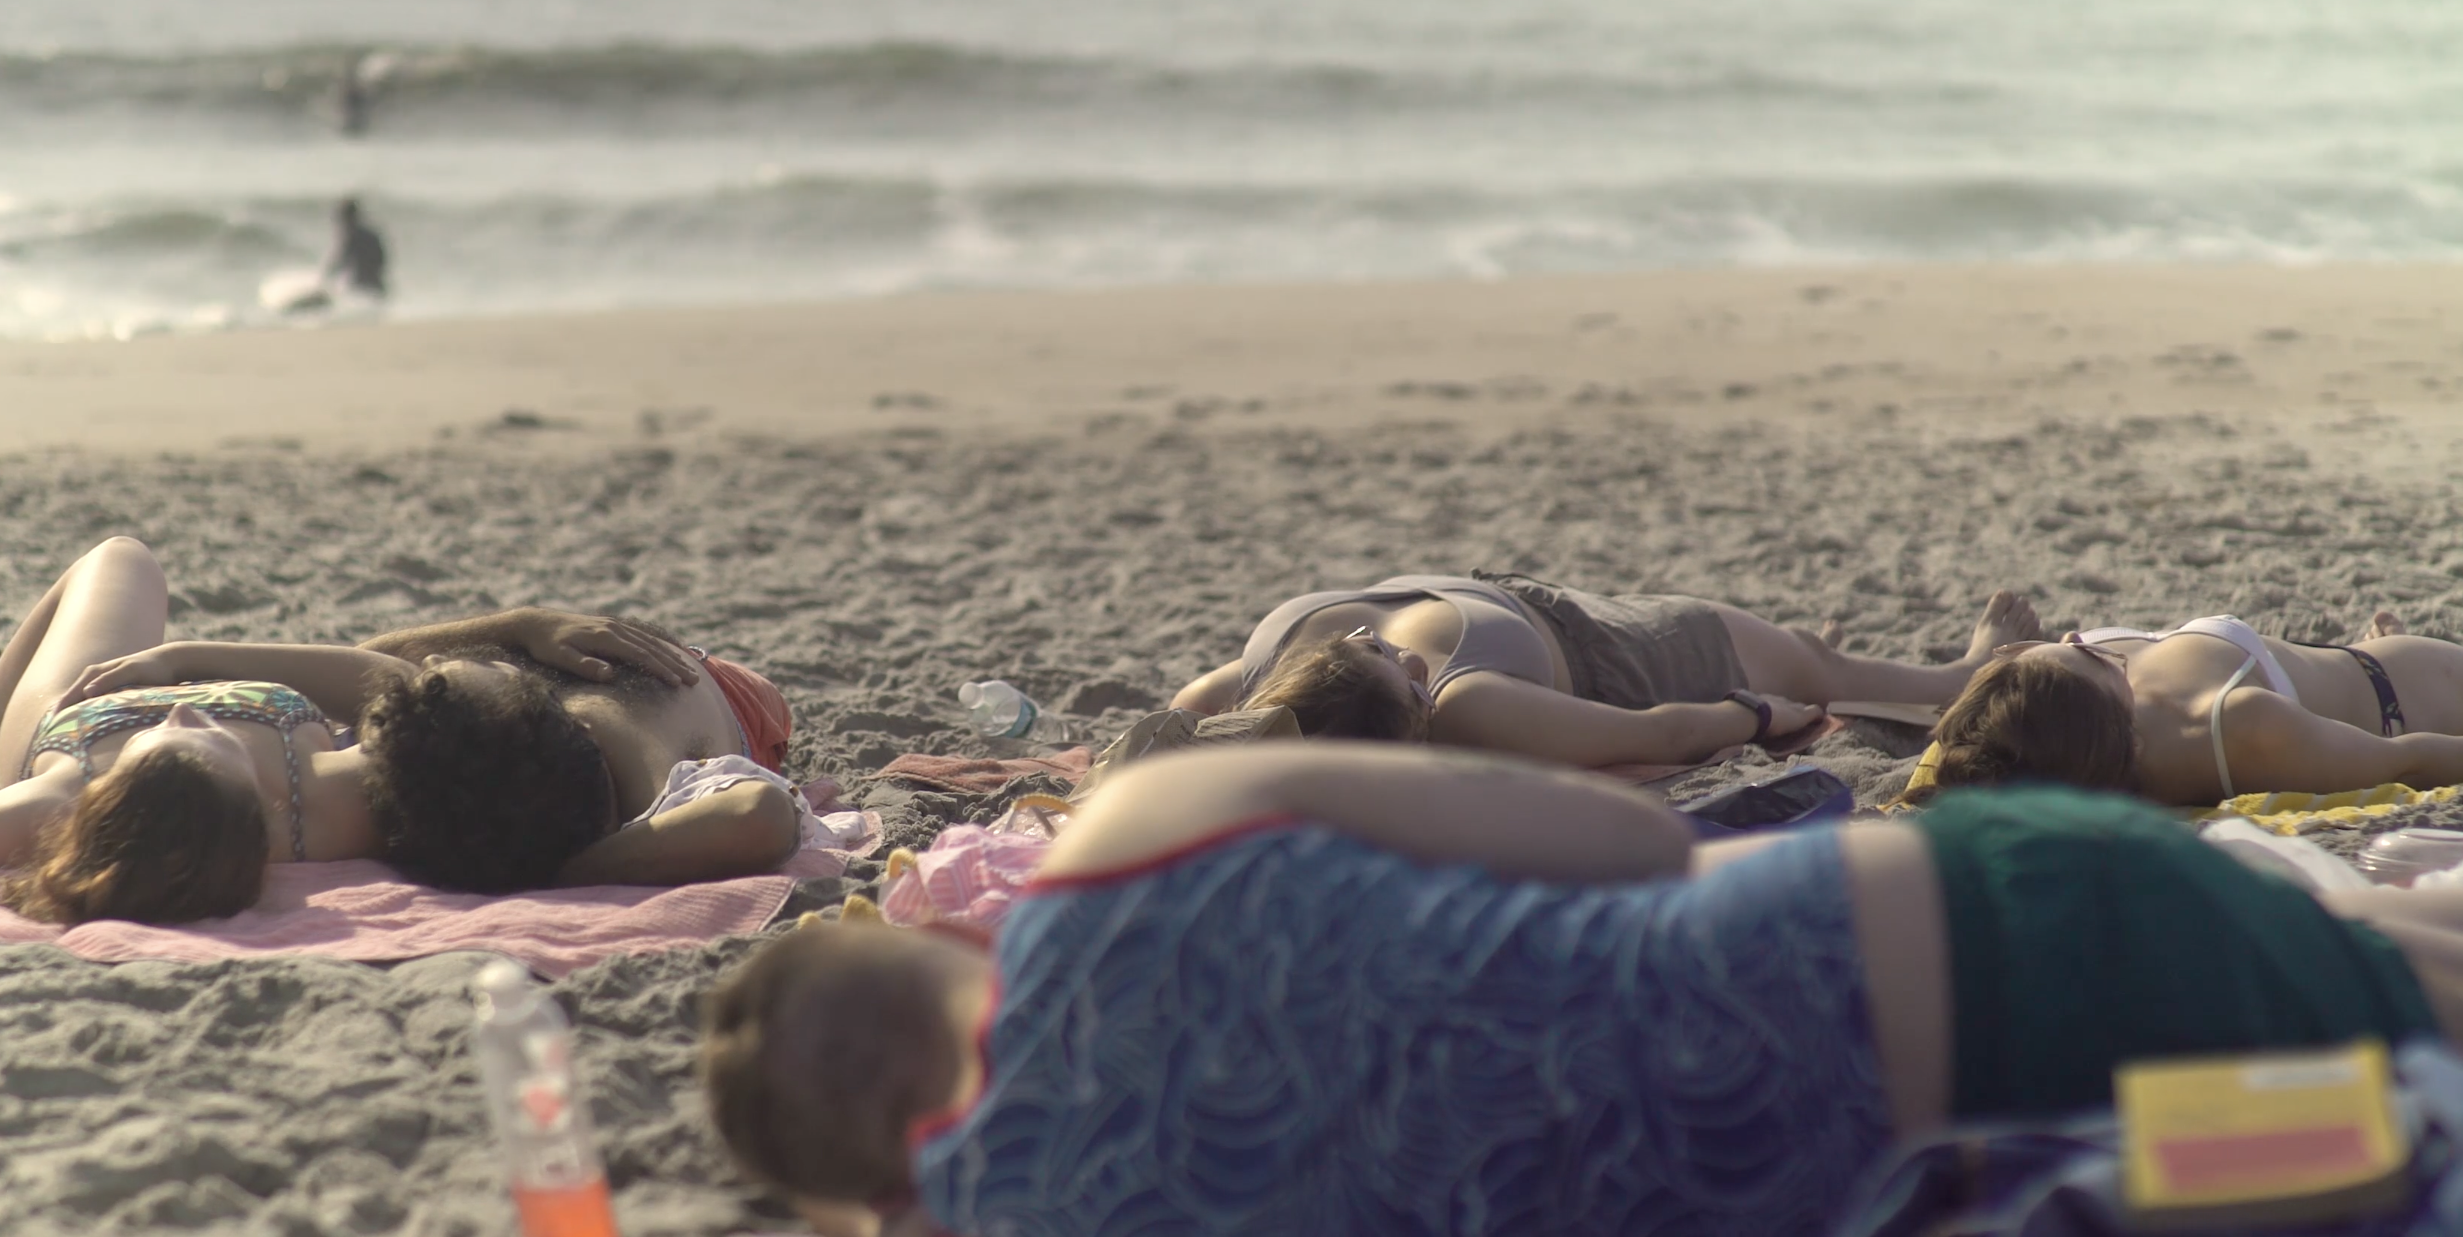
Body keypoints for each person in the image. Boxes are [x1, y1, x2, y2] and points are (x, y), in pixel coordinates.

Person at [702, 744, 2463, 1237]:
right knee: (2394, 1004)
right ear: (947, 941)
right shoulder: (1137, 832)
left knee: (2345, 1104)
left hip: (1998, 1158)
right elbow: (1618, 841)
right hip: (1995, 927)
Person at [0, 539, 800, 923]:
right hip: (122, 713)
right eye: (196, 732)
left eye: (173, 730)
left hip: (69, 724)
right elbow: (383, 670)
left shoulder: (62, 804)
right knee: (122, 562)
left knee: (116, 557)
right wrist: (197, 667)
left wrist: (188, 672)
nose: (185, 722)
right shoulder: (386, 786)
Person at [1170, 571, 2044, 769]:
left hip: (1511, 598)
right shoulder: (1466, 701)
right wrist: (1754, 714)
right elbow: (1655, 731)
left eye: (1376, 654)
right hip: (1610, 654)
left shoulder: (1245, 682)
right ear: (1416, 723)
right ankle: (1960, 673)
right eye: (1407, 680)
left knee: (1809, 656)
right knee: (1814, 668)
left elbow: (1161, 735)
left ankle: (1936, 667)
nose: (1403, 657)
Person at [1915, 607, 2463, 803]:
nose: (2075, 637)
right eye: (2092, 657)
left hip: (2330, 669)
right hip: (2409, 689)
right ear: (2120, 726)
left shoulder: (2017, 749)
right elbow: (2410, 760)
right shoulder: (2229, 727)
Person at [323, 196, 389, 300]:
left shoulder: (354, 236)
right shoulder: (371, 234)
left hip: (362, 283)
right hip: (377, 282)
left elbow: (343, 259)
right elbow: (383, 258)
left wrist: (328, 276)